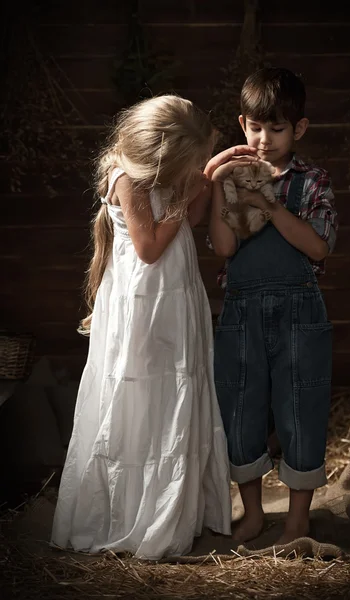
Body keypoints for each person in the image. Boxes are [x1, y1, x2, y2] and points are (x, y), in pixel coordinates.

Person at [51, 95, 235, 560]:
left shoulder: (165, 174)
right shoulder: (127, 179)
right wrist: (193, 188)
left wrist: (205, 180)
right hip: (145, 306)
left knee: (175, 395)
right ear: (162, 158)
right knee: (141, 398)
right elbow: (150, 247)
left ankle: (174, 508)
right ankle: (132, 515)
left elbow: (190, 220)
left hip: (177, 298)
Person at [206, 67, 338, 545]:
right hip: (241, 311)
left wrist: (273, 206)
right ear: (243, 124)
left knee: (301, 405)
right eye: (256, 127)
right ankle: (255, 512)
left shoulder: (312, 181)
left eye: (277, 128)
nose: (264, 139)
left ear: (298, 128)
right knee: (240, 407)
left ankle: (299, 518)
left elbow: (319, 248)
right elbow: (224, 248)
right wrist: (224, 191)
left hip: (299, 311)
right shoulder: (234, 180)